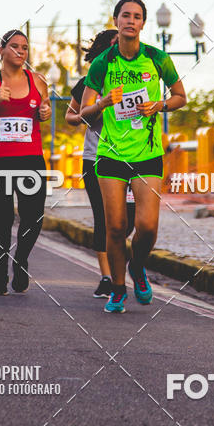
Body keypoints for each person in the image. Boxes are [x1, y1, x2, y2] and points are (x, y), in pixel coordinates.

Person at [81, 0, 186, 313]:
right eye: (125, 15)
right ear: (116, 20)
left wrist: (160, 105)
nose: (130, 20)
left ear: (143, 23)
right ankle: (117, 288)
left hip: (147, 153)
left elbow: (181, 96)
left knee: (147, 226)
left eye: (137, 16)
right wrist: (102, 104)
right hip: (111, 155)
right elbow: (83, 113)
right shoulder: (103, 64)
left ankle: (137, 267)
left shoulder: (157, 59)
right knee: (115, 227)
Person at [0, 29, 52, 295]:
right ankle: (0, 272)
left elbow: (44, 110)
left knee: (33, 217)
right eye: (14, 47)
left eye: (24, 48)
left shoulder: (37, 80)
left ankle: (21, 260)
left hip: (30, 159)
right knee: (1, 220)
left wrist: (45, 112)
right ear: (2, 51)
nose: (20, 52)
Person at [66, 29, 136, 298]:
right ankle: (107, 277)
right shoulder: (88, 81)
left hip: (133, 157)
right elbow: (71, 118)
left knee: (128, 221)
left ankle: (121, 265)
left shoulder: (133, 77)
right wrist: (98, 107)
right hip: (96, 157)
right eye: (118, 42)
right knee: (104, 218)